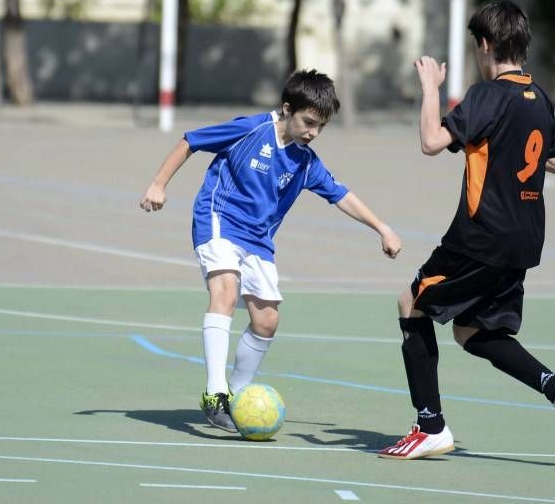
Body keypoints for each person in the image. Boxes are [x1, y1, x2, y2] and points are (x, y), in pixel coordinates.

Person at [378, 0, 555, 460]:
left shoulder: (487, 94)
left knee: (410, 304)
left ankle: (430, 426)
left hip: (481, 235)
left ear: (486, 45)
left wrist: (430, 88)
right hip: (524, 239)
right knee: (473, 332)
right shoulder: (538, 97)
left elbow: (432, 141)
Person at [139, 70, 402, 432]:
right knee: (226, 292)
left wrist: (382, 227)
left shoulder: (306, 162)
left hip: (258, 239)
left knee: (266, 320)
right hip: (218, 219)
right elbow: (190, 140)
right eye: (308, 122)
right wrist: (158, 184)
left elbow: (342, 195)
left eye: (321, 127)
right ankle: (215, 394)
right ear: (287, 109)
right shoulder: (251, 129)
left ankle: (238, 394)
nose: (313, 132)